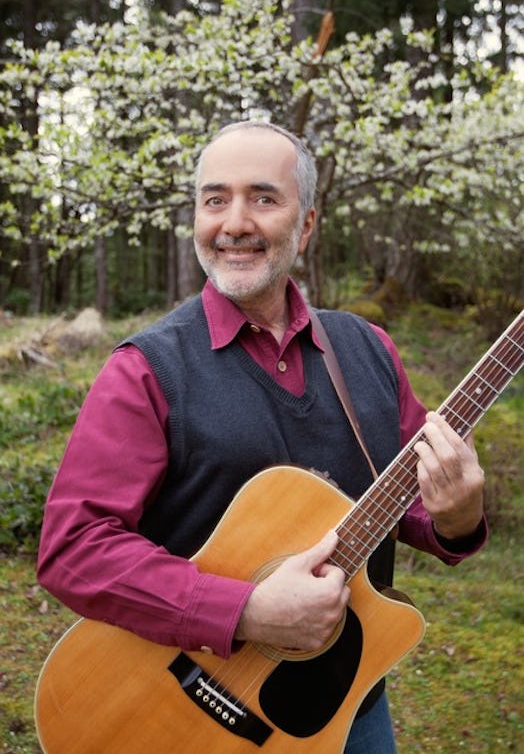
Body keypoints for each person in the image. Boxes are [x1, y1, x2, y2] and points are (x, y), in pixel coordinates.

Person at [37, 121, 487, 753]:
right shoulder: (146, 369)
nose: (235, 222)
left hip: (343, 710)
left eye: (263, 198)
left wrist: (459, 516)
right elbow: (73, 548)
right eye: (215, 199)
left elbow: (409, 502)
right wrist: (242, 610)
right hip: (179, 702)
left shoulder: (369, 350)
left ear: (306, 225)